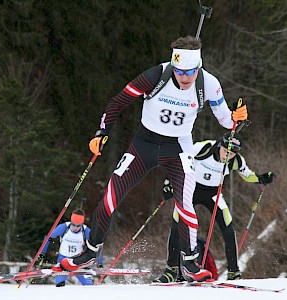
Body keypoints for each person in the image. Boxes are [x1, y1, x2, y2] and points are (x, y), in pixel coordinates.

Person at [54, 36, 248, 282]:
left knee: (185, 202)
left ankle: (189, 262)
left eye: (190, 71)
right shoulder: (156, 76)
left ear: (198, 67)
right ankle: (90, 254)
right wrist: (101, 132)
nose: (184, 77)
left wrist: (236, 118)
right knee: (111, 196)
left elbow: (226, 121)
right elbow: (118, 102)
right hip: (143, 145)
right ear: (173, 65)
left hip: (179, 148)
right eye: (179, 71)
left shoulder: (209, 84)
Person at [153, 132, 274, 283]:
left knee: (228, 229)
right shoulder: (203, 148)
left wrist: (261, 178)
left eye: (231, 154)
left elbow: (248, 175)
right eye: (225, 151)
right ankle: (171, 270)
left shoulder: (236, 161)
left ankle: (233, 272)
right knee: (177, 226)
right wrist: (168, 182)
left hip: (213, 193)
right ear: (220, 145)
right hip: (191, 189)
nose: (227, 156)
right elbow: (179, 159)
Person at [36, 208, 102, 287]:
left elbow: (96, 247)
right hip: (63, 261)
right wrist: (42, 253)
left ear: (82, 224)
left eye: (78, 226)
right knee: (60, 285)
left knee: (89, 285)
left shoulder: (86, 231)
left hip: (78, 262)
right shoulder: (63, 228)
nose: (75, 227)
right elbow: (48, 237)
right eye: (73, 224)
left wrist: (99, 263)